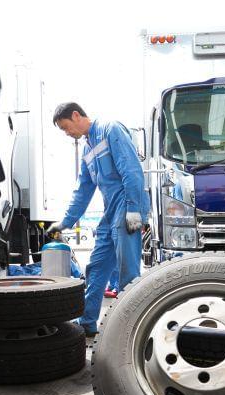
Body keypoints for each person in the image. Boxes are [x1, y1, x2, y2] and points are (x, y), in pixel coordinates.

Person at [48, 102, 149, 336]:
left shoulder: (110, 130)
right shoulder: (87, 149)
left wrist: (134, 209)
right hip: (110, 211)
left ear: (76, 115)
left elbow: (131, 170)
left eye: (65, 127)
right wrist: (65, 221)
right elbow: (83, 190)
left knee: (127, 271)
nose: (67, 133)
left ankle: (130, 329)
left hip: (126, 205)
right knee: (96, 267)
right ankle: (87, 323)